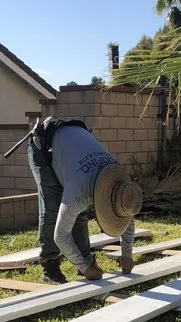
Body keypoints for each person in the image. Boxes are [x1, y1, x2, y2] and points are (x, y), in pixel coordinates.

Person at [27, 117, 143, 284]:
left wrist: (127, 255)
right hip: (44, 145)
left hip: (72, 149)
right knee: (52, 210)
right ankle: (50, 267)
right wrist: (84, 268)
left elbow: (127, 218)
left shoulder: (120, 182)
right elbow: (61, 236)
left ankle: (86, 262)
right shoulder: (80, 192)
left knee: (81, 214)